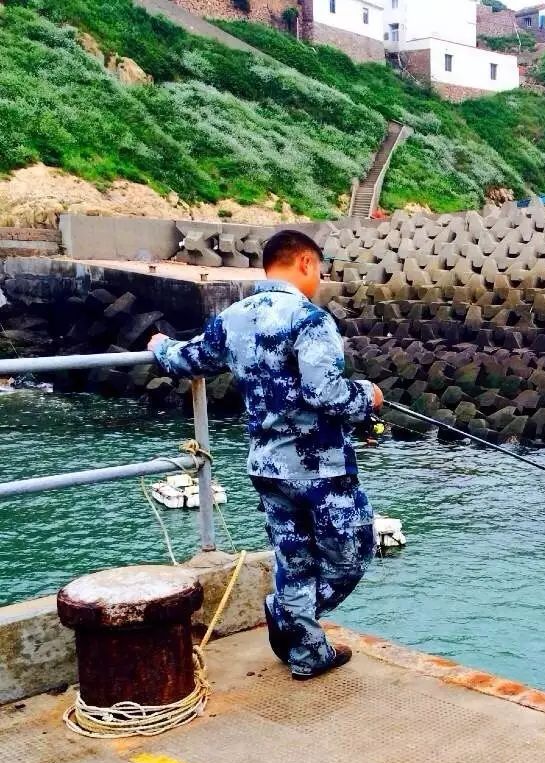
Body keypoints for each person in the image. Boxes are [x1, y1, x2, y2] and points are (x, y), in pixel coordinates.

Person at [148, 230, 382, 680]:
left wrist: (159, 346)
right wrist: (368, 397)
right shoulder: (310, 319)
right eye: (320, 269)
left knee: (294, 561)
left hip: (266, 467)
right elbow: (326, 393)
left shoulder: (234, 317)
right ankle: (288, 616)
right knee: (354, 554)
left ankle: (308, 654)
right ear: (306, 264)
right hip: (320, 469)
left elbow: (187, 359)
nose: (320, 278)